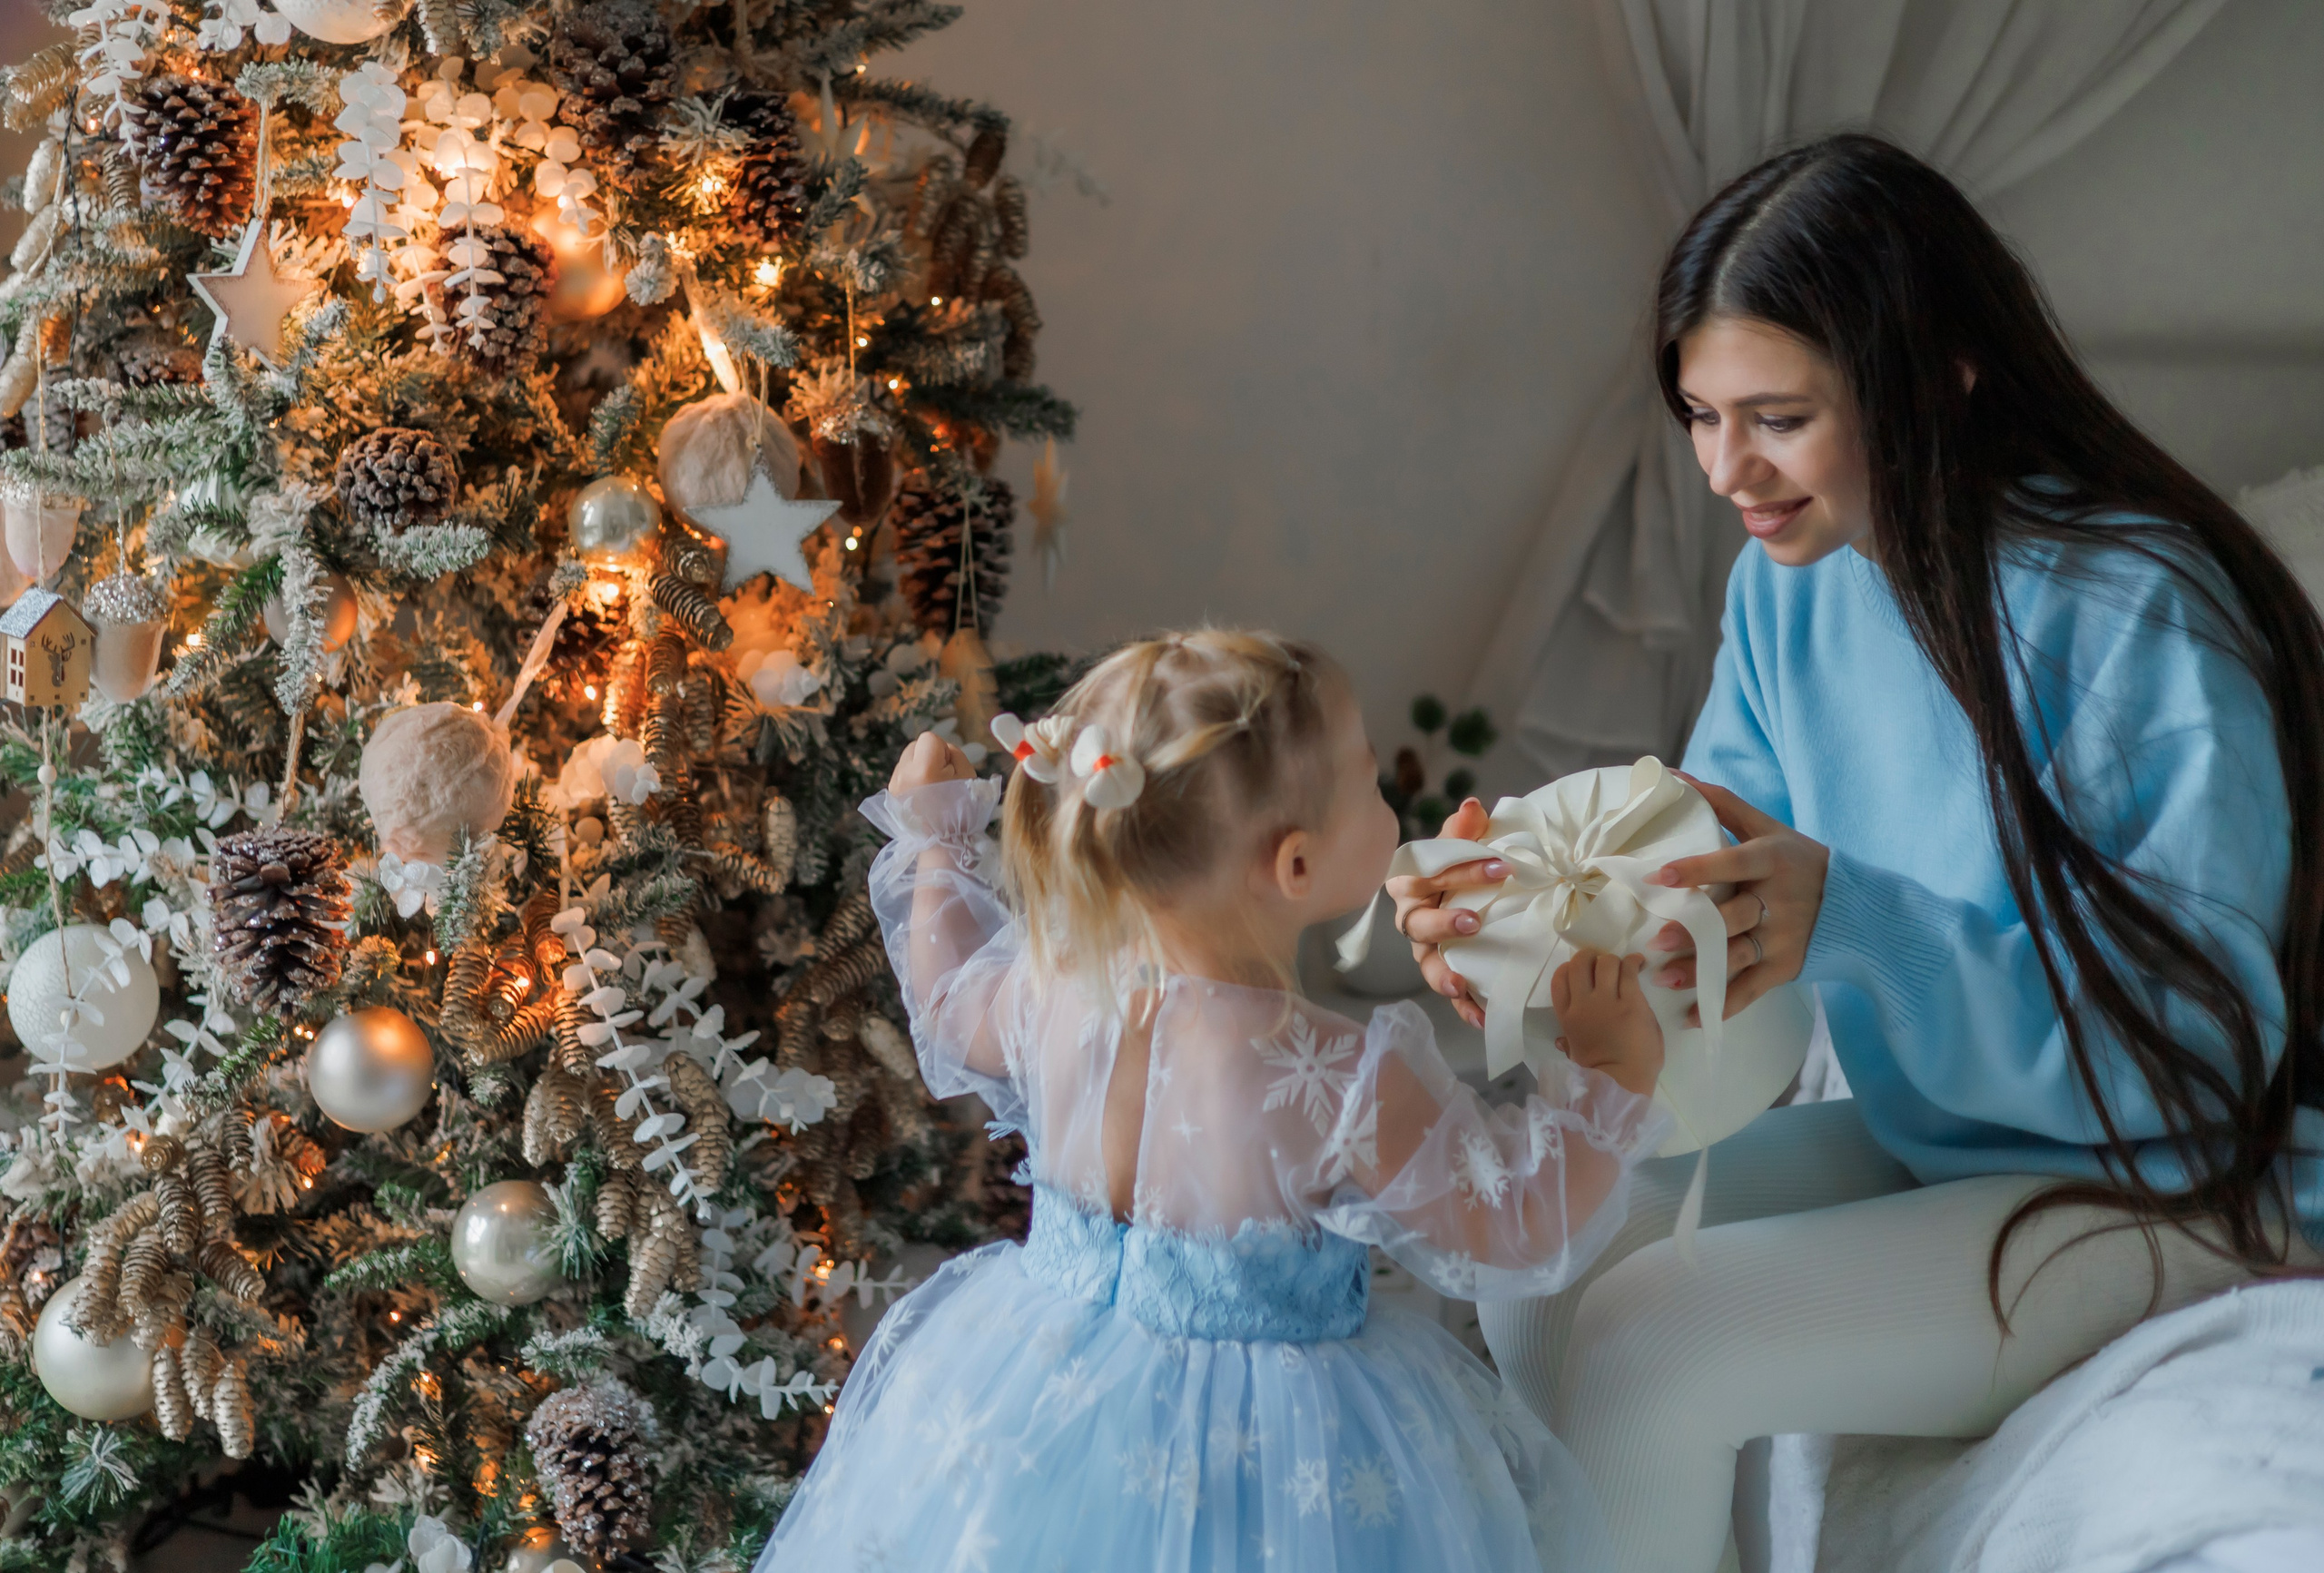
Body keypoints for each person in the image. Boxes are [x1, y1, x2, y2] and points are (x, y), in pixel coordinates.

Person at [1393, 133, 2324, 1573]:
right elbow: (1702, 896)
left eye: (1775, 416)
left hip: (2180, 1175)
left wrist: (1863, 925)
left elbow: (2200, 1058)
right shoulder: (1794, 591)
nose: (1726, 471)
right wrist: (1523, 923)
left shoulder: (2147, 610)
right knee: (1551, 1250)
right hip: (1946, 1136)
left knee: (1656, 1353)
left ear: (1943, 371)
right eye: (1701, 416)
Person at [753, 630, 1671, 1572]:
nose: (1387, 795)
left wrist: (935, 842)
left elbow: (947, 1003)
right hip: (1281, 1458)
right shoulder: (1334, 1072)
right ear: (1297, 867)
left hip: (1032, 1393)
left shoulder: (1052, 987)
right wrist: (1608, 1074)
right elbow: (1508, 1224)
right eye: (1368, 781)